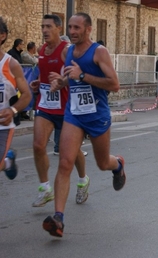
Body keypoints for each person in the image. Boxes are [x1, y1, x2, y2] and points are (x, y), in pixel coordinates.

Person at [42, 12, 126, 237]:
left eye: (77, 27)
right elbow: (70, 76)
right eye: (70, 27)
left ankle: (117, 165)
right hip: (74, 115)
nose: (72, 31)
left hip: (97, 116)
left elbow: (115, 84)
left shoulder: (98, 51)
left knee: (102, 163)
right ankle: (58, 218)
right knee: (65, 162)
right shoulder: (68, 51)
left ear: (88, 29)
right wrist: (61, 83)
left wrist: (82, 77)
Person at [29, 14, 89, 208]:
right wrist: (39, 83)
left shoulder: (66, 51)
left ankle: (82, 180)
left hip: (65, 109)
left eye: (48, 26)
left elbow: (77, 78)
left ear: (58, 29)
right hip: (45, 105)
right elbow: (44, 74)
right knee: (38, 146)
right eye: (42, 26)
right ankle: (45, 189)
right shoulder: (41, 50)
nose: (44, 30)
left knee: (71, 152)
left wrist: (63, 82)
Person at [0, 17, 31, 180]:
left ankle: (7, 162)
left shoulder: (11, 64)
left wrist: (12, 110)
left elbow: (27, 95)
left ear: (2, 36)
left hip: (3, 125)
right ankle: (7, 162)